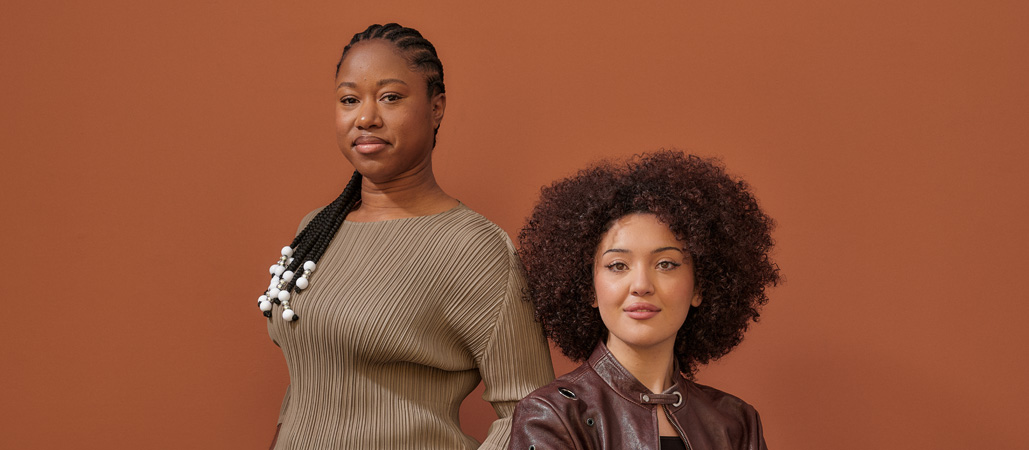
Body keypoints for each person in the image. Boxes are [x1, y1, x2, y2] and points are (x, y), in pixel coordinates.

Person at [255, 23, 554, 449]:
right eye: (349, 100)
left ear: (436, 108)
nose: (366, 118)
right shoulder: (317, 227)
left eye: (391, 97)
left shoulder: (472, 248)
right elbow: (309, 384)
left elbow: (532, 414)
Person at [510, 151, 780, 450]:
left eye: (666, 264)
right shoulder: (551, 416)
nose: (641, 285)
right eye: (618, 265)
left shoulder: (737, 422)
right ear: (589, 289)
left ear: (699, 287)